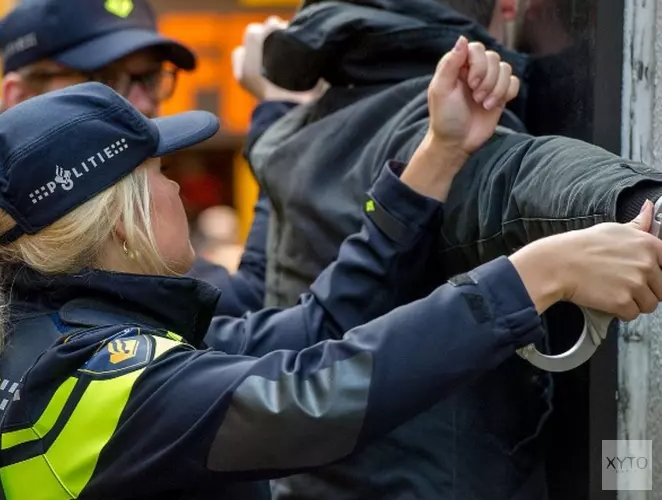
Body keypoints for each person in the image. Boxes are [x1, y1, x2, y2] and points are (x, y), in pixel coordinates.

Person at [0, 41, 662, 500]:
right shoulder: (99, 382)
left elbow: (312, 329)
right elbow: (315, 399)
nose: (181, 187)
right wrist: (533, 276)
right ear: (122, 218)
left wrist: (436, 156)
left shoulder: (59, 335)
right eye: (162, 171)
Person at [249, 1, 662, 499]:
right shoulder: (414, 120)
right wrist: (644, 206)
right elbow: (513, 177)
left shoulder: (300, 130)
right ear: (509, 5)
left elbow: (311, 323)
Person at [0, 2, 304, 495]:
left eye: (151, 77)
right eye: (106, 80)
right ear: (19, 94)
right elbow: (253, 313)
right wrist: (281, 122)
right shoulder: (9, 254)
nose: (141, 102)